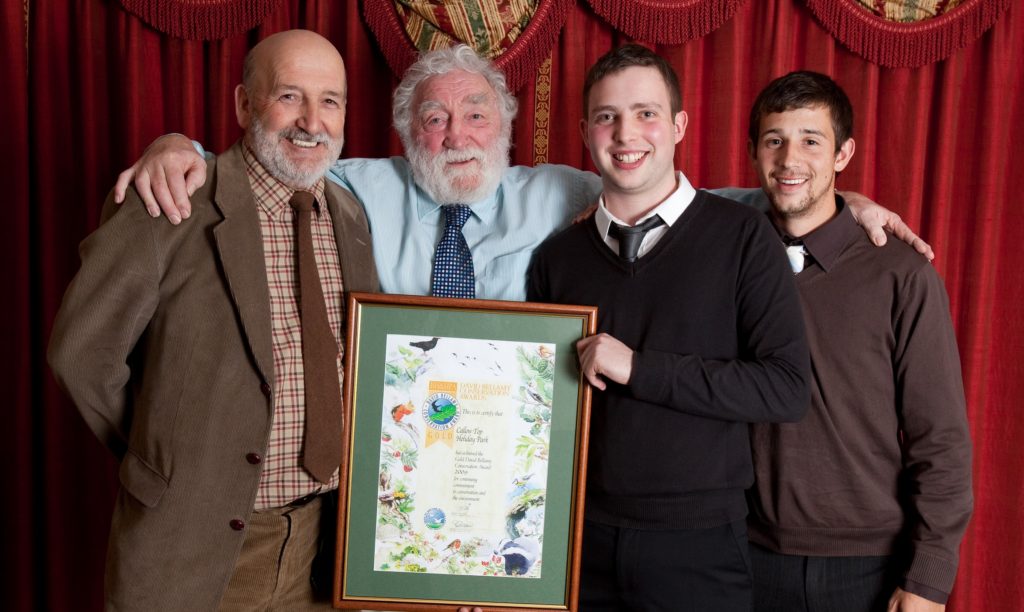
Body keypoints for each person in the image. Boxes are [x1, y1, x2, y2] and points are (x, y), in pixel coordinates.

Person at [113, 46, 933, 302]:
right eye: (434, 118)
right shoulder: (353, 184)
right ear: (406, 132)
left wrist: (830, 198)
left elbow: (689, 203)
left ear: (507, 128)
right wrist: (178, 144)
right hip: (387, 448)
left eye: (477, 116)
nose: (457, 135)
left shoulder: (560, 192)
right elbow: (264, 157)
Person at [48, 30, 378, 611]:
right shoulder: (171, 202)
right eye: (289, 96)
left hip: (324, 551)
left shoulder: (348, 214)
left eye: (330, 100)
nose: (311, 121)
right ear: (244, 104)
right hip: (197, 545)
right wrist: (169, 455)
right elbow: (81, 355)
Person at [527, 44, 809, 610]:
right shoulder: (556, 258)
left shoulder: (744, 239)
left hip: (700, 544)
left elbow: (785, 388)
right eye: (608, 117)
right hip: (577, 540)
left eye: (646, 113)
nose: (627, 134)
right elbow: (539, 412)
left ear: (679, 125)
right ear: (586, 132)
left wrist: (638, 368)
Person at [744, 71, 972, 612]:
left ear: (843, 154)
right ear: (754, 152)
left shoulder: (901, 274)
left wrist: (927, 581)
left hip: (866, 568)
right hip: (744, 557)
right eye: (774, 140)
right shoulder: (730, 256)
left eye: (811, 141)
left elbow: (940, 440)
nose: (789, 159)